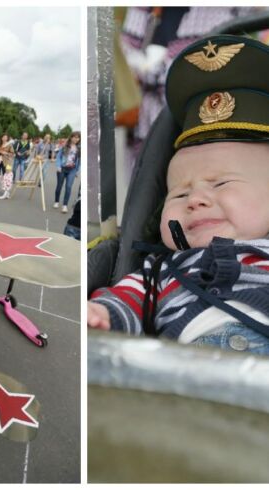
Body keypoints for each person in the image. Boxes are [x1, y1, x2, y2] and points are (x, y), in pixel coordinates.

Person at [88, 34, 269, 356]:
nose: (194, 199)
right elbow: (126, 299)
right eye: (179, 192)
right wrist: (102, 314)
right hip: (175, 392)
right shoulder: (159, 271)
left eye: (221, 184)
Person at [54, 131, 81, 213]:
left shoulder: (79, 148)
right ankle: (56, 201)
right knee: (59, 186)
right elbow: (58, 156)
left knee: (68, 187)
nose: (76, 139)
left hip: (72, 169)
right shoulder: (65, 146)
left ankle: (65, 205)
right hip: (62, 168)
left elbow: (80, 161)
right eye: (74, 137)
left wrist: (77, 171)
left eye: (78, 137)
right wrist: (58, 166)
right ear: (71, 137)